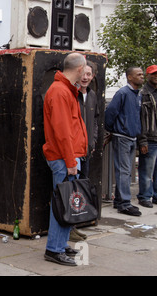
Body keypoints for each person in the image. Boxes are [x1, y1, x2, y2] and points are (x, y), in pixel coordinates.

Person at [42, 53, 88, 266]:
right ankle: (54, 249)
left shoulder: (65, 90)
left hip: (67, 158)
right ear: (80, 69)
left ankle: (59, 245)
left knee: (66, 204)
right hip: (64, 159)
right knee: (62, 204)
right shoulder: (60, 91)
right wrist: (71, 162)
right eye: (85, 69)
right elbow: (62, 132)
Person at [105, 66, 144, 216]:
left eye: (142, 74)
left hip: (132, 137)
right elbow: (110, 112)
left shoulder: (137, 95)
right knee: (124, 170)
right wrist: (113, 130)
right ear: (129, 77)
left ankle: (120, 200)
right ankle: (124, 204)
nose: (142, 76)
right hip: (122, 137)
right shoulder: (122, 93)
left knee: (127, 172)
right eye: (138, 74)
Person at [70, 61, 99, 242]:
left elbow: (95, 120)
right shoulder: (72, 94)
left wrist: (93, 140)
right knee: (71, 190)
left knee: (81, 189)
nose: (86, 78)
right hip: (73, 151)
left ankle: (76, 224)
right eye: (84, 74)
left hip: (86, 150)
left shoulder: (93, 95)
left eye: (89, 75)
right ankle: (69, 227)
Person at [137, 65, 157, 208]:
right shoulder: (143, 93)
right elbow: (140, 119)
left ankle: (155, 196)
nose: (156, 76)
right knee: (146, 170)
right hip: (149, 138)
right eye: (153, 74)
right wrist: (142, 140)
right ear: (147, 76)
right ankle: (145, 196)